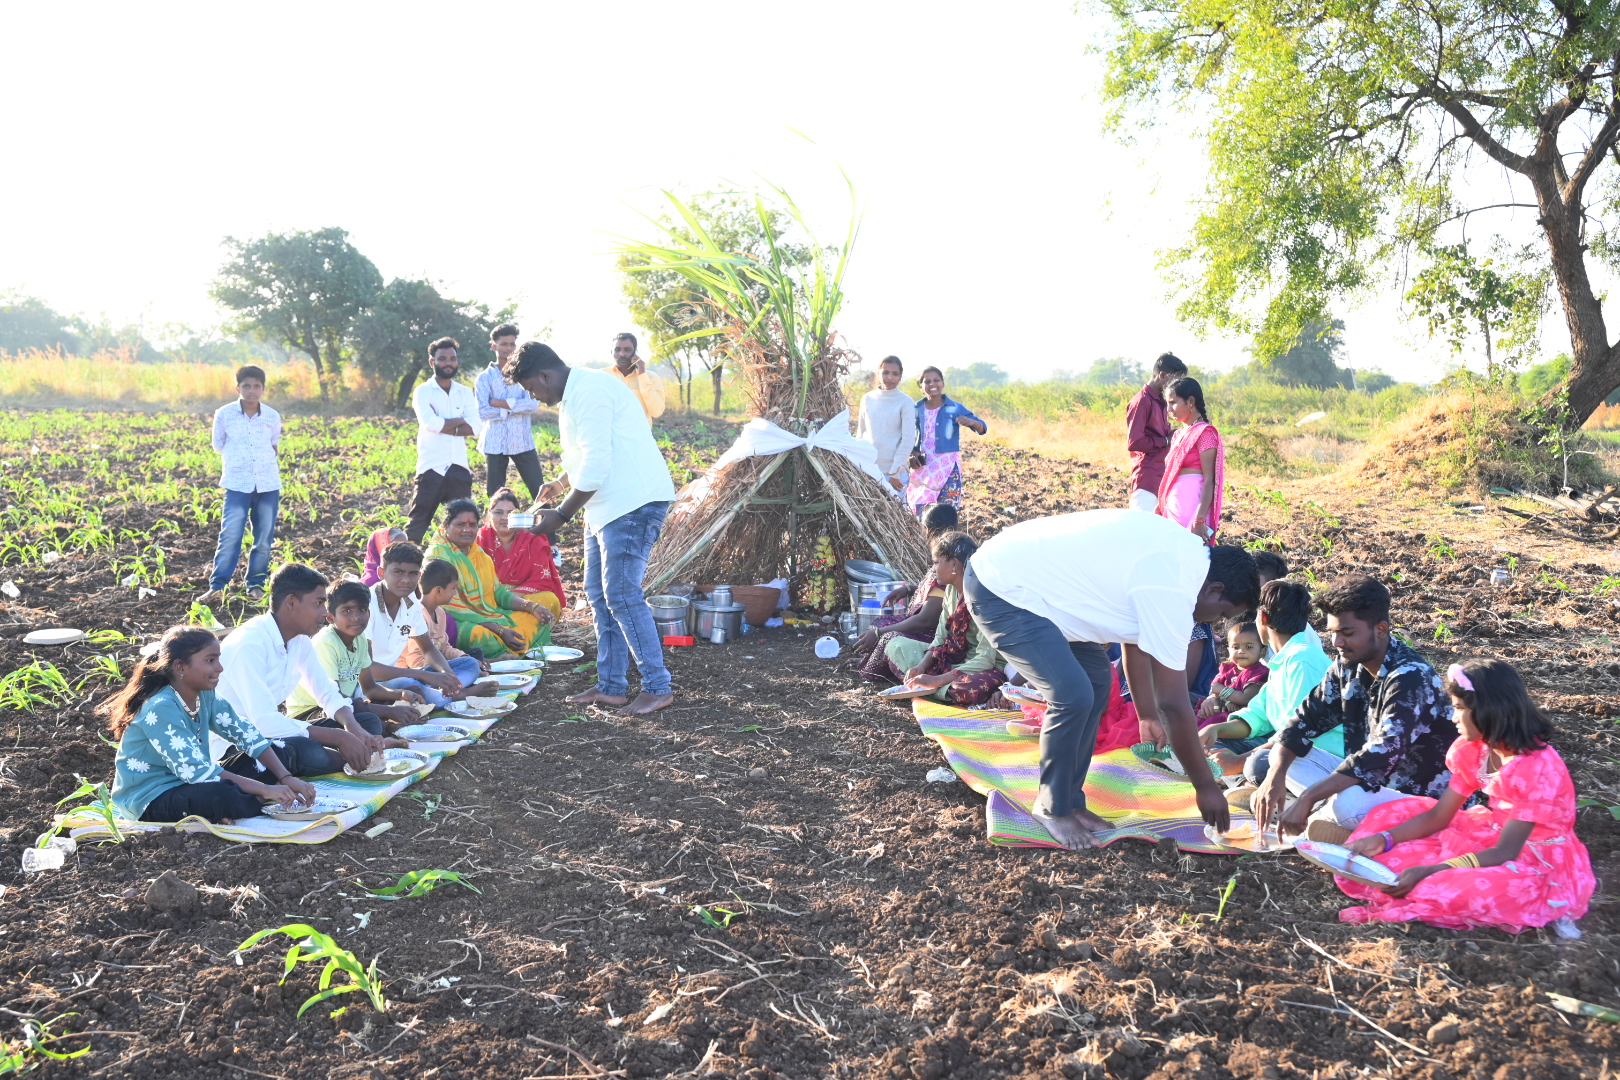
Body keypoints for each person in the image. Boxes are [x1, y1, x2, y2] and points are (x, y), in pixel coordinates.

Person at [964, 509, 1260, 848]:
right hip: (1001, 587)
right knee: (1072, 695)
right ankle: (1051, 807)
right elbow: (1173, 703)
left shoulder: (1185, 562)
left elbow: (1134, 640)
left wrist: (1146, 715)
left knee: (1096, 685)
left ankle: (1070, 801)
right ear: (1215, 589)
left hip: (1047, 594)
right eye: (1222, 613)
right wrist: (1205, 786)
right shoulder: (1173, 585)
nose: (1215, 622)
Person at [1337, 659, 1594, 935]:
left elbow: (1506, 853)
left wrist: (1432, 870)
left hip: (1534, 859)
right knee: (1389, 822)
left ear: (1488, 709)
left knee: (1452, 887)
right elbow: (1440, 815)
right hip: (1491, 835)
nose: (1453, 717)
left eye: (1459, 708)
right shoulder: (1476, 749)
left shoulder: (1537, 768)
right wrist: (1385, 839)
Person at [505, 341, 677, 716]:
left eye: (532, 388)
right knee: (599, 594)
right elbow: (587, 453)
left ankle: (657, 687)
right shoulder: (575, 393)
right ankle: (611, 686)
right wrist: (560, 483)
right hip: (605, 507)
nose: (534, 397)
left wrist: (561, 514)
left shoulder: (591, 390)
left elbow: (598, 463)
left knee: (622, 594)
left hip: (633, 502)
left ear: (545, 375)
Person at [1254, 575, 1460, 845]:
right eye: (1332, 632)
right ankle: (1325, 820)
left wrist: (1308, 796)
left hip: (1423, 800)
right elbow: (1302, 722)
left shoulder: (1410, 677)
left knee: (1348, 803)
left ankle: (1325, 818)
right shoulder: (1347, 666)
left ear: (1381, 629)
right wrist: (1275, 777)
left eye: (1347, 633)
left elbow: (1379, 756)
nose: (1337, 642)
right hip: (1372, 786)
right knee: (1278, 758)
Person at [103, 626, 317, 824]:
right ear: (180, 667)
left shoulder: (205, 695)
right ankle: (248, 801)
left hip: (192, 782)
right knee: (220, 795)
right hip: (151, 797)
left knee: (280, 752)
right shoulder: (161, 707)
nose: (220, 668)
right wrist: (265, 789)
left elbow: (246, 735)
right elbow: (197, 771)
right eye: (210, 660)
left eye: (218, 659)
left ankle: (246, 802)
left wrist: (285, 776)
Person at [215, 564, 387, 777]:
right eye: (318, 603)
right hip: (235, 746)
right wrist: (339, 738)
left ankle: (350, 756)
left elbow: (327, 693)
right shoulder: (249, 645)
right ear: (291, 602)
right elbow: (264, 723)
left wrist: (353, 729)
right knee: (304, 751)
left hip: (271, 734)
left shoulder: (299, 640)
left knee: (365, 721)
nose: (325, 612)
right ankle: (351, 759)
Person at [1199, 580, 1336, 782]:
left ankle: (1243, 782)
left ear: (1262, 617)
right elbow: (1258, 716)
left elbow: (1298, 734)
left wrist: (1238, 761)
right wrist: (1215, 729)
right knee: (1214, 743)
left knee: (1258, 763)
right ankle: (1241, 783)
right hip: (1288, 747)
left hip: (1320, 756)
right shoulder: (1281, 662)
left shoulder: (1302, 661)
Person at [884, 532, 1006, 706]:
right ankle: (935, 690)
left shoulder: (983, 596)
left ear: (954, 564)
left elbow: (986, 659)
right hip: (953, 659)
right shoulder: (951, 589)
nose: (933, 569)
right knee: (895, 645)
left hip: (984, 667)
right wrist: (921, 666)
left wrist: (938, 680)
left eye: (936, 562)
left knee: (967, 688)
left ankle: (933, 689)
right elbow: (941, 636)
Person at [286, 581, 425, 731]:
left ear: (369, 613)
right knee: (369, 721)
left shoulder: (361, 639)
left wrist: (401, 694)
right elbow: (334, 698)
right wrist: (388, 711)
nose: (356, 617)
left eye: (362, 609)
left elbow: (370, 688)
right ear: (331, 617)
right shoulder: (326, 643)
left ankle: (393, 724)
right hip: (313, 712)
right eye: (347, 611)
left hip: (346, 705)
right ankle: (389, 727)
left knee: (413, 691)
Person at [428, 499, 554, 659]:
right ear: (446, 525)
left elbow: (498, 593)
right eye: (460, 524)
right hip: (457, 620)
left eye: (472, 525)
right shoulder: (437, 556)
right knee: (479, 635)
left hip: (490, 614)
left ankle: (509, 651)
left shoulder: (480, 555)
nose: (467, 530)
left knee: (537, 616)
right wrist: (499, 630)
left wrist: (531, 607)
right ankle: (499, 656)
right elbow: (449, 607)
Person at [366, 541, 481, 707]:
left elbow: (428, 649)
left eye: (412, 573)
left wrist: (448, 677)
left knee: (469, 664)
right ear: (381, 573)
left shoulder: (410, 600)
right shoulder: (367, 605)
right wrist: (423, 675)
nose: (406, 580)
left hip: (406, 675)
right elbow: (368, 668)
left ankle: (450, 692)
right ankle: (455, 695)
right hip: (373, 683)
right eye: (398, 572)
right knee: (409, 685)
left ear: (419, 576)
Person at [203, 365, 282, 603]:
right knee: (230, 535)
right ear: (238, 388)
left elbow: (274, 446)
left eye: (257, 386)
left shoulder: (271, 416)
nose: (252, 391)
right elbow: (218, 445)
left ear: (263, 388)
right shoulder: (224, 414)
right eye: (247, 386)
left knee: (263, 539)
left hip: (267, 484)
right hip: (237, 483)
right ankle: (218, 586)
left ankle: (255, 585)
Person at [853, 503, 958, 679]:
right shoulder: (947, 556)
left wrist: (878, 634)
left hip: (935, 638)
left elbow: (925, 621)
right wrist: (910, 589)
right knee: (882, 622)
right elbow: (938, 594)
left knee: (887, 636)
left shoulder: (945, 561)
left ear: (928, 530)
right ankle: (872, 660)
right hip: (928, 629)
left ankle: (873, 668)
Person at [407, 336, 479, 543]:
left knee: (463, 526)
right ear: (432, 362)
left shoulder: (464, 392)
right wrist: (460, 420)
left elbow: (475, 427)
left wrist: (444, 424)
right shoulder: (423, 391)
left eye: (452, 359)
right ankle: (406, 561)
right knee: (417, 524)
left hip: (459, 468)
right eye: (443, 359)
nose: (449, 363)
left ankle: (456, 562)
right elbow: (430, 423)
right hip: (431, 467)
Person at [478, 487, 567, 627]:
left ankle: (503, 625)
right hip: (488, 600)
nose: (505, 518)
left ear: (519, 515)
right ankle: (511, 626)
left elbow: (541, 580)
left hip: (523, 600)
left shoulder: (533, 539)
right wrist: (494, 599)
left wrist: (509, 599)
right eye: (498, 512)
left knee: (549, 600)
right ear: (489, 515)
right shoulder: (478, 540)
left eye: (511, 513)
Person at [905, 367, 987, 515]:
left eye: (936, 380)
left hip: (947, 467)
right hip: (923, 467)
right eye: (927, 381)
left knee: (947, 511)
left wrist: (972, 422)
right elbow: (906, 435)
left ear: (942, 383)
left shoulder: (954, 408)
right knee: (920, 509)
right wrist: (912, 453)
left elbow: (982, 428)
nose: (932, 384)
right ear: (921, 386)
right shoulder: (915, 409)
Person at [476, 323, 544, 500]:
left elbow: (532, 405)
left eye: (512, 344)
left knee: (539, 491)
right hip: (494, 444)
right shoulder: (484, 378)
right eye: (504, 344)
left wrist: (498, 403)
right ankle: (497, 520)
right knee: (494, 495)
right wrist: (514, 407)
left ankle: (546, 520)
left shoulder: (525, 374)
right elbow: (483, 412)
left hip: (522, 441)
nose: (508, 348)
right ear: (494, 346)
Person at [1155, 377, 1224, 541]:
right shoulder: (1178, 434)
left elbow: (1209, 480)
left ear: (1191, 401)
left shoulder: (1205, 433)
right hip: (1174, 503)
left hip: (1193, 505)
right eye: (1167, 404)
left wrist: (1199, 517)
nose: (1169, 409)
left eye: (1173, 403)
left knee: (1190, 550)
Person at [400, 558, 487, 683]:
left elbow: (445, 647)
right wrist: (446, 669)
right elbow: (416, 662)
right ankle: (465, 679)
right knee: (469, 664)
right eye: (453, 588)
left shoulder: (440, 613)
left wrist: (463, 657)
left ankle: (467, 675)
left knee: (475, 654)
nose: (455, 592)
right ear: (439, 590)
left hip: (437, 665)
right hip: (413, 672)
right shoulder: (418, 615)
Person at [1124, 352, 1186, 512]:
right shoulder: (1142, 401)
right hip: (1147, 477)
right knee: (1139, 524)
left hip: (1161, 476)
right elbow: (1135, 442)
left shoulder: (1161, 402)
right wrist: (1165, 440)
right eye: (1174, 381)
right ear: (1162, 375)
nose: (1176, 387)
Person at [856, 355, 916, 494]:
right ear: (878, 373)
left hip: (894, 475)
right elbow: (861, 434)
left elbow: (908, 440)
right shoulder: (867, 399)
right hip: (869, 471)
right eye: (886, 372)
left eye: (895, 374)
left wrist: (895, 472)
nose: (890, 377)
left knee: (896, 508)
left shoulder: (905, 402)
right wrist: (860, 466)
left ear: (900, 377)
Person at [1195, 621, 1268, 726]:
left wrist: (1221, 691)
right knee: (1193, 720)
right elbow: (1214, 688)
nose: (1241, 651)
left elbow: (1244, 698)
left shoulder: (1259, 672)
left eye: (1249, 647)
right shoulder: (1226, 668)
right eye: (1236, 647)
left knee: (1209, 726)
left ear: (1262, 651)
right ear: (1228, 649)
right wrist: (1226, 700)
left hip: (1237, 718)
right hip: (1219, 709)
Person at [608, 333, 666, 422]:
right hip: (609, 431)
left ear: (635, 352)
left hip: (639, 431)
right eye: (617, 350)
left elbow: (656, 412)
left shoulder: (651, 378)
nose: (622, 354)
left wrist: (642, 374)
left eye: (627, 350)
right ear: (611, 352)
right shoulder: (602, 376)